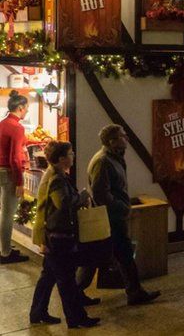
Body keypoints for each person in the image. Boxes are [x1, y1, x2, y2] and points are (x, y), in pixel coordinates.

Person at [76, 125, 161, 306]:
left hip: (114, 216)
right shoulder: (103, 161)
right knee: (98, 256)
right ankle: (75, 291)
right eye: (123, 136)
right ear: (112, 141)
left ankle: (134, 291)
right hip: (110, 218)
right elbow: (101, 194)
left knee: (120, 255)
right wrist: (122, 208)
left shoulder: (114, 158)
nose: (127, 138)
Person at [29, 141, 99, 328]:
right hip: (58, 237)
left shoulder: (53, 173)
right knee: (66, 280)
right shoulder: (57, 178)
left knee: (49, 276)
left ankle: (38, 312)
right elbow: (64, 203)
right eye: (70, 153)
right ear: (62, 159)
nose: (73, 155)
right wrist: (81, 198)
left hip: (51, 235)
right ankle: (76, 318)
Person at [0, 91, 29, 264]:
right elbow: (15, 158)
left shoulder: (3, 123)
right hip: (8, 173)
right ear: (20, 107)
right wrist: (19, 181)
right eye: (26, 108)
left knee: (3, 212)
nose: (26, 111)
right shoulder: (17, 127)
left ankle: (4, 247)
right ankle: (5, 252)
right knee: (8, 214)